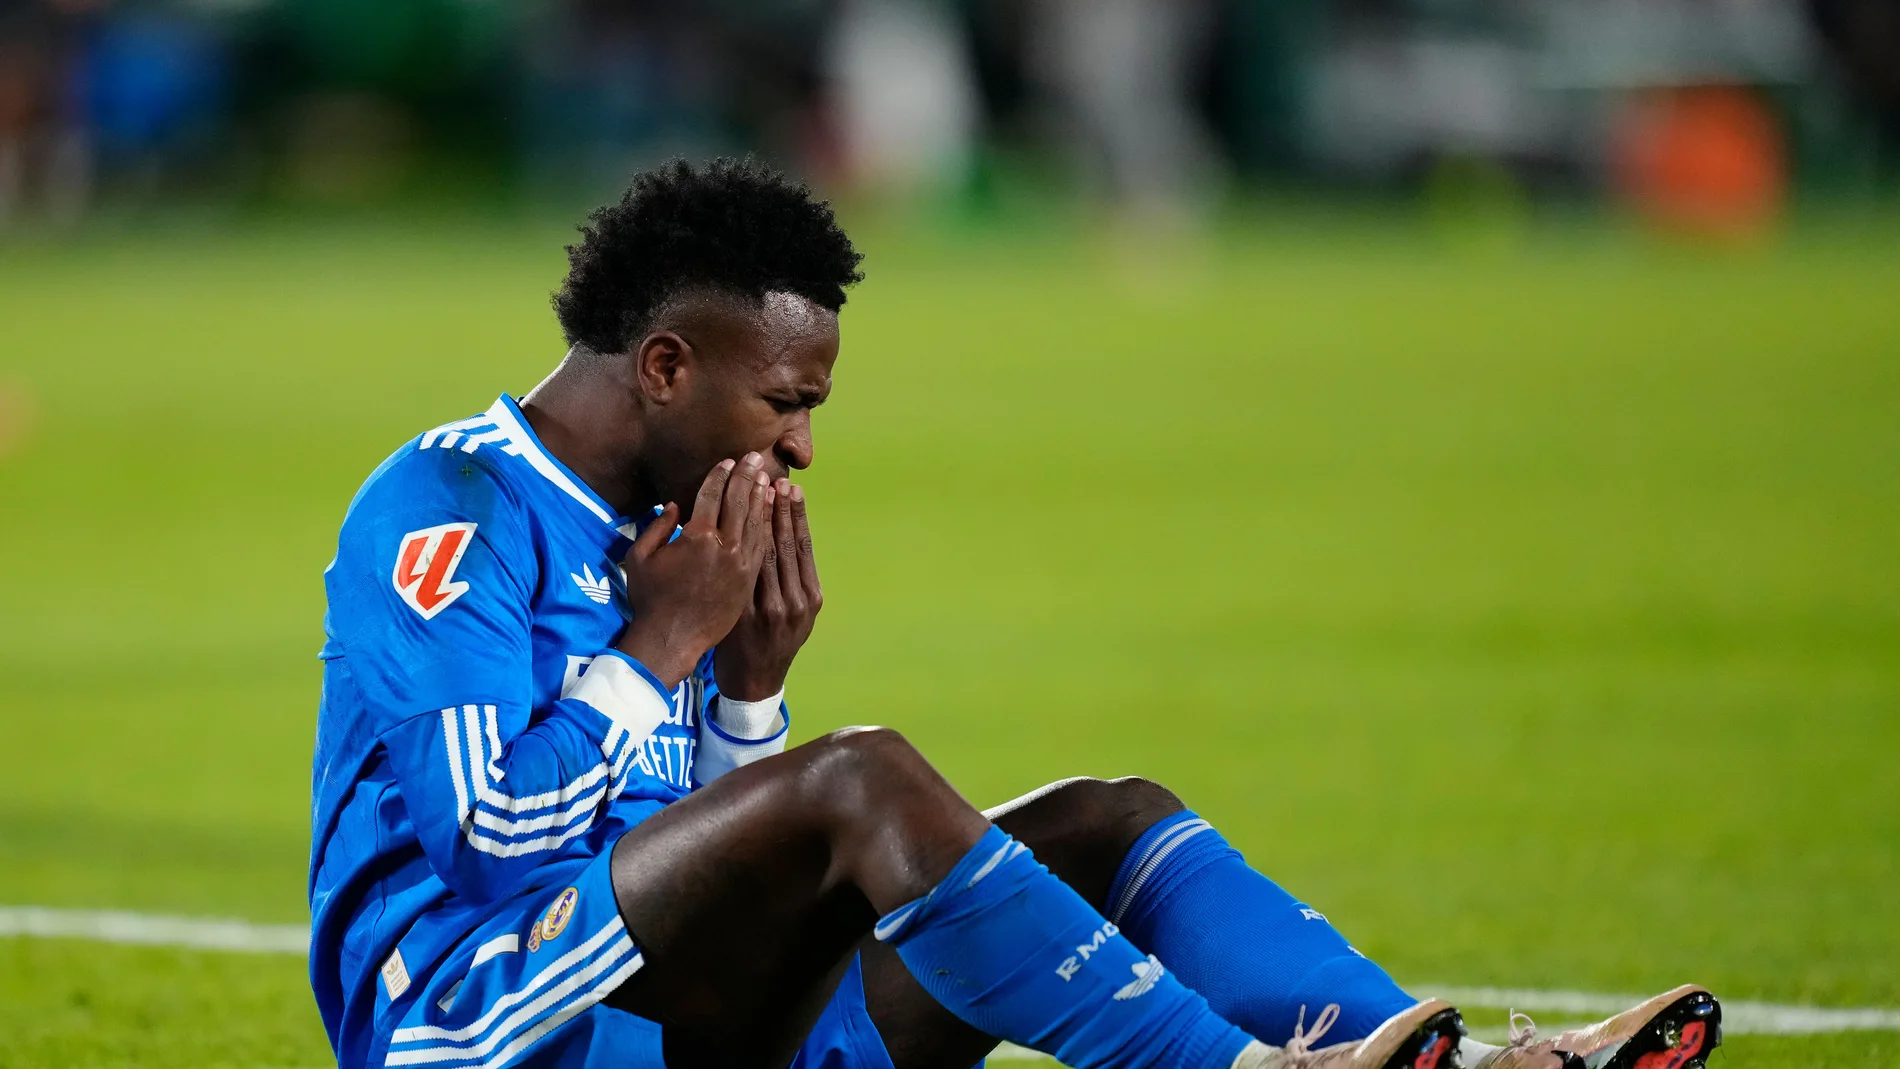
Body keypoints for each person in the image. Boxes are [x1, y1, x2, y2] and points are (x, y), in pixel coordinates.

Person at [309, 158, 1723, 1069]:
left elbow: (710, 874)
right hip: (479, 1023)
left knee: (1108, 816)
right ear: (667, 364)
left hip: (664, 1020)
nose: (802, 447)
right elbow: (493, 845)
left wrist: (744, 691)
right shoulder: (455, 508)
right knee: (860, 776)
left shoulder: (676, 529)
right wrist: (664, 650)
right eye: (786, 402)